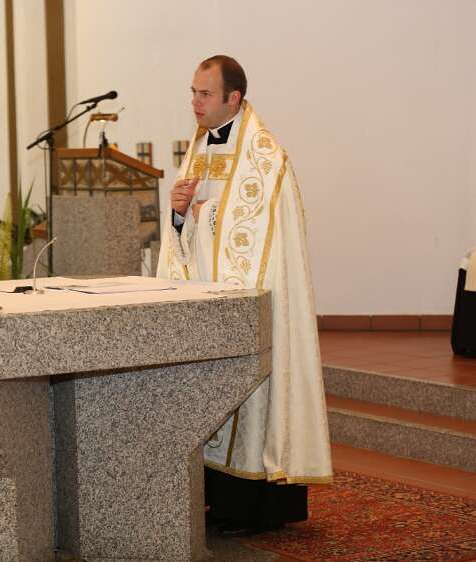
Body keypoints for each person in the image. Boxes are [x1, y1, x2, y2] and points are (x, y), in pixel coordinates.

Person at [157, 55, 332, 535]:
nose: (194, 102)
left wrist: (202, 215)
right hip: (208, 302)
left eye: (204, 94)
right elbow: (188, 228)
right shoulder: (197, 147)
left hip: (253, 305)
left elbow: (252, 236)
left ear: (233, 98)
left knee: (252, 400)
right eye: (192, 92)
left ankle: (256, 507)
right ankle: (216, 498)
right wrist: (176, 214)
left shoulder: (265, 156)